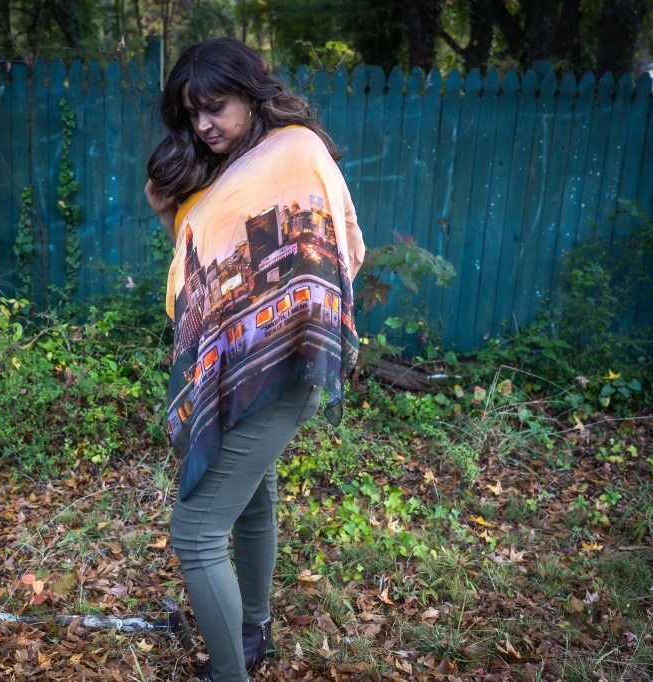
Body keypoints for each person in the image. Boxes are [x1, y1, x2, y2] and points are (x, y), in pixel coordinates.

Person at [145, 37, 365, 682]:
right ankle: (252, 630)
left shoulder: (294, 151)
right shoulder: (232, 166)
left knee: (195, 532)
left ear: (250, 93)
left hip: (287, 358)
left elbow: (338, 248)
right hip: (247, 362)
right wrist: (171, 215)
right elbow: (205, 273)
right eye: (192, 114)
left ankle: (229, 672)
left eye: (214, 107)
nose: (203, 125)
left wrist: (288, 322)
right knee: (252, 500)